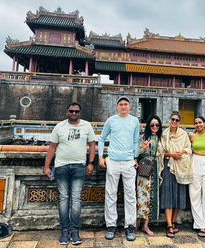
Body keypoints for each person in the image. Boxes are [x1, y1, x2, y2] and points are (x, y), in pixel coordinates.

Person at [44, 101, 96, 245]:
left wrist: (91, 163)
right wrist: (46, 167)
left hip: (79, 166)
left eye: (76, 111)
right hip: (61, 166)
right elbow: (52, 147)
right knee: (63, 199)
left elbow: (92, 144)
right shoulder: (59, 127)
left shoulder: (86, 126)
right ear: (67, 111)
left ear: (80, 112)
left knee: (76, 199)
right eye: (71, 111)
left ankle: (74, 231)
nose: (74, 113)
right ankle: (64, 231)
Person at [98, 96, 140, 241]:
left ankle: (130, 226)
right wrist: (100, 157)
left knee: (130, 195)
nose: (123, 106)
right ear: (117, 107)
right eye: (121, 104)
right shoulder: (111, 121)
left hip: (128, 161)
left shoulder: (134, 121)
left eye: (125, 104)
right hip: (113, 161)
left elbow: (136, 140)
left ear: (129, 106)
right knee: (110, 194)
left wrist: (135, 157)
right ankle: (111, 225)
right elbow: (101, 138)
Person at [159, 111, 193, 238]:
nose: (174, 121)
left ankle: (173, 221)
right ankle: (168, 225)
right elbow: (160, 152)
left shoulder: (183, 135)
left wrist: (182, 151)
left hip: (181, 167)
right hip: (168, 166)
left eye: (177, 120)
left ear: (179, 122)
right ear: (169, 120)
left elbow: (190, 149)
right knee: (168, 193)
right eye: (172, 119)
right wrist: (171, 154)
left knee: (178, 194)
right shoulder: (164, 135)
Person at [136, 115, 162, 236]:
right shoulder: (143, 137)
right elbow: (137, 154)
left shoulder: (161, 138)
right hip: (145, 168)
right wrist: (144, 148)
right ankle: (137, 222)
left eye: (157, 125)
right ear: (148, 126)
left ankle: (145, 225)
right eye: (152, 125)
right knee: (141, 196)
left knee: (152, 197)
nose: (155, 127)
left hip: (156, 168)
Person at [188, 116, 205, 237]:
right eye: (196, 123)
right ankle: (200, 225)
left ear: (204, 123)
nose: (198, 125)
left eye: (200, 123)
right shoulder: (191, 136)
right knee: (195, 195)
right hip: (195, 162)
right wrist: (194, 131)